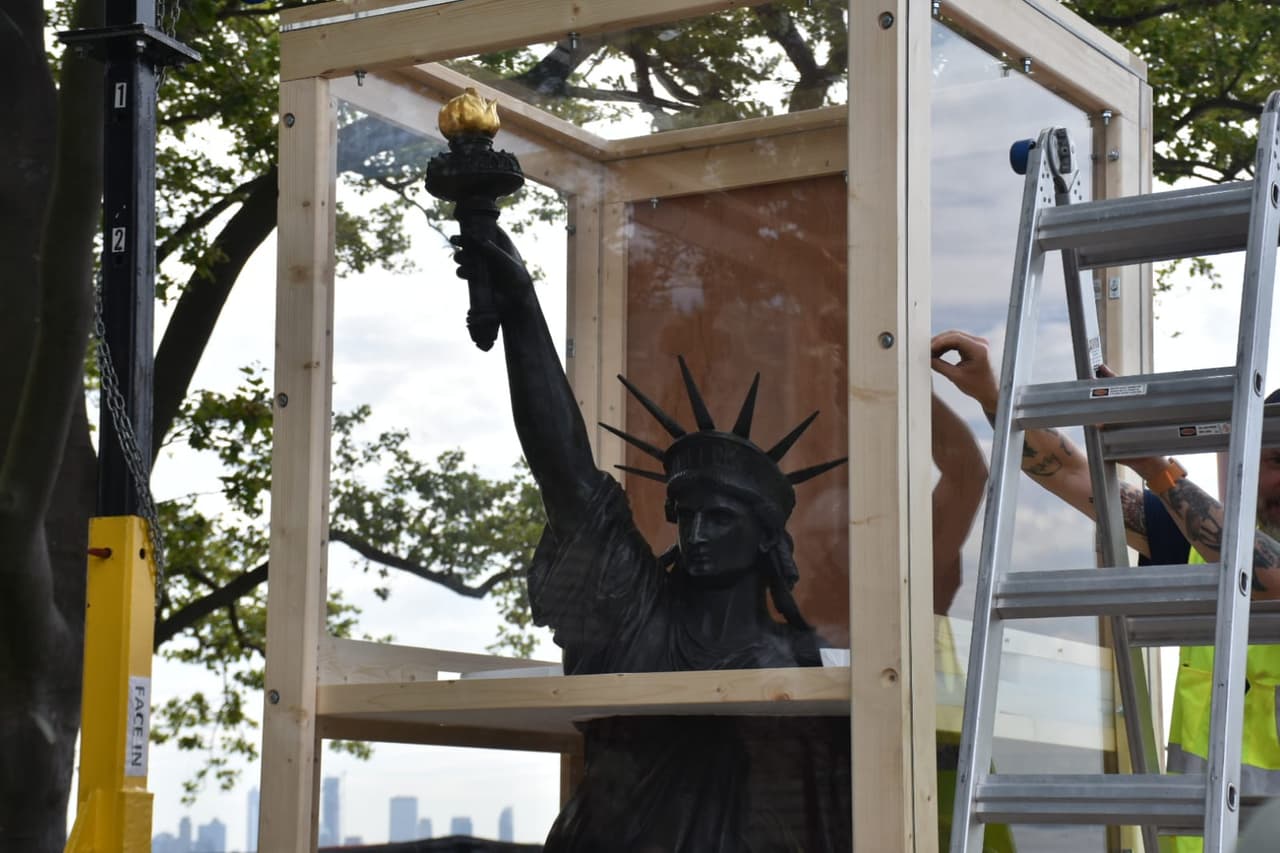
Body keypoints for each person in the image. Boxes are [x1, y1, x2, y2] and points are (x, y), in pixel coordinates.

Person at [453, 228, 851, 851]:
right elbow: (564, 470)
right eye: (682, 514)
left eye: (718, 518)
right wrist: (524, 310)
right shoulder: (637, 614)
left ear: (766, 533)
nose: (693, 534)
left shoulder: (809, 661)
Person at [930, 328, 1280, 852]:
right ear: (1253, 462)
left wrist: (1157, 467)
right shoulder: (1191, 540)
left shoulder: (1219, 543)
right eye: (1278, 463)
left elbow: (1268, 581)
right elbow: (1069, 472)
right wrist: (991, 392)